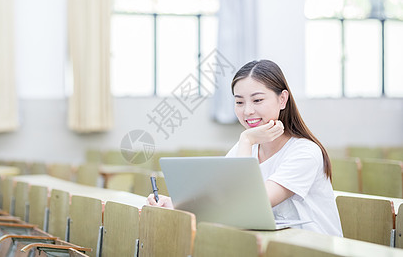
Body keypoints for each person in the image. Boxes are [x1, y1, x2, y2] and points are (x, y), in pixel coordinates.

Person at [147, 59, 343, 237]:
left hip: (314, 247)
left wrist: (247, 139)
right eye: (239, 102)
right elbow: (222, 198)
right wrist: (174, 204)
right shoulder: (243, 147)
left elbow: (247, 204)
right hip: (273, 244)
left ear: (282, 99)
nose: (247, 110)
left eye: (257, 100)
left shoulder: (305, 152)